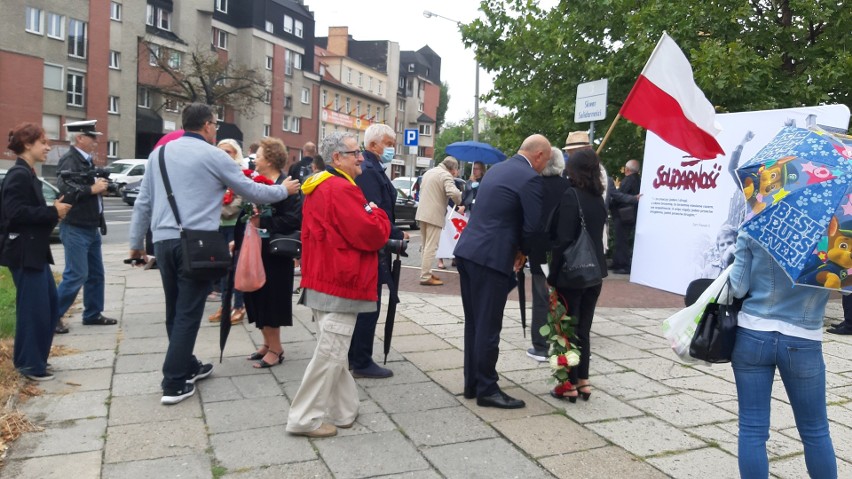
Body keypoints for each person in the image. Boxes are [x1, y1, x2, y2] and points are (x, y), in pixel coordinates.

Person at [128, 103, 298, 405]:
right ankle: (174, 381)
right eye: (215, 125)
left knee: (174, 308)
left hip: (163, 242)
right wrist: (285, 191)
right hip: (196, 243)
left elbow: (143, 202)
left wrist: (136, 244)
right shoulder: (213, 155)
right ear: (207, 125)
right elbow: (253, 191)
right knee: (189, 311)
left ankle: (187, 364)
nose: (215, 129)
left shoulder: (159, 154)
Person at [286, 131, 390, 437]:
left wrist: (371, 210)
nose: (361, 158)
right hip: (342, 281)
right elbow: (373, 233)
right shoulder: (341, 189)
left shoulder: (318, 185)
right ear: (336, 158)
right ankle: (303, 419)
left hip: (323, 279)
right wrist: (377, 211)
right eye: (355, 153)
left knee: (335, 351)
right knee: (330, 354)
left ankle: (344, 412)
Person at [728, 230, 837, 478]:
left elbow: (737, 287)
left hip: (753, 332)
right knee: (815, 430)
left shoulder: (757, 223)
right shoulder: (831, 232)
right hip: (804, 337)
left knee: (752, 428)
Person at [454, 134, 548, 409]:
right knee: (488, 325)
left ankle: (472, 382)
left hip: (469, 251)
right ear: (539, 155)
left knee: (474, 322)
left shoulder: (499, 170)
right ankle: (487, 388)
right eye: (546, 160)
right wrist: (525, 251)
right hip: (491, 258)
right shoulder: (530, 178)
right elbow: (533, 227)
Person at [1, 123, 72, 381]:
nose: (48, 147)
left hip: (34, 252)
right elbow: (15, 214)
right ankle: (30, 365)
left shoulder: (27, 173)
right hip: (24, 253)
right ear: (28, 144)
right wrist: (53, 211)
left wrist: (53, 212)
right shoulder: (18, 175)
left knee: (48, 306)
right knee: (35, 310)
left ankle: (32, 360)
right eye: (43, 142)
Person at [547, 148, 609, 402]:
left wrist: (553, 274)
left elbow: (563, 240)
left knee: (565, 329)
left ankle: (567, 383)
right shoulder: (597, 198)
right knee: (583, 328)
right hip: (594, 273)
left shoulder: (571, 196)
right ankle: (583, 380)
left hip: (571, 273)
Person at [238, 137, 302, 368]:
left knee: (272, 299)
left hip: (276, 253)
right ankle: (266, 343)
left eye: (260, 155)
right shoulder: (256, 183)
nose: (255, 159)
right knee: (255, 295)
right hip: (256, 248)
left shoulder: (289, 185)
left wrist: (262, 219)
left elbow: (294, 219)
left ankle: (277, 348)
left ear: (271, 159)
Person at [350, 123, 407, 378]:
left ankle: (358, 356)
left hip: (377, 244)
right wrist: (394, 232)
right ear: (373, 145)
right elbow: (374, 209)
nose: (392, 149)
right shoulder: (370, 171)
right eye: (389, 144)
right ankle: (361, 359)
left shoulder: (375, 167)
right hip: (373, 247)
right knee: (369, 303)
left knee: (369, 302)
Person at [54, 120, 115, 334]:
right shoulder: (69, 161)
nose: (96, 141)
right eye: (92, 137)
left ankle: (92, 313)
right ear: (79, 138)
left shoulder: (85, 161)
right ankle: (52, 316)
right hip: (76, 227)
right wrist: (93, 189)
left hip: (90, 226)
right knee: (76, 274)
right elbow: (65, 192)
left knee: (96, 274)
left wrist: (102, 188)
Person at [527, 147, 570, 362]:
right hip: (562, 250)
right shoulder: (569, 187)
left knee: (541, 298)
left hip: (540, 250)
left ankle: (540, 345)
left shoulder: (535, 185)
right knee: (563, 296)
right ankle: (563, 341)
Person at [208, 139, 246, 324]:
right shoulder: (213, 172)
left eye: (228, 152)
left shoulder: (239, 172)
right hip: (219, 227)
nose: (224, 155)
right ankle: (225, 305)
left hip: (234, 227)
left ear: (236, 153)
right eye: (220, 151)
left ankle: (239, 306)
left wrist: (218, 208)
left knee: (235, 268)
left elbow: (240, 200)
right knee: (222, 268)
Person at [416, 157, 463, 286]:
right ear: (453, 169)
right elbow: (452, 193)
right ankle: (425, 276)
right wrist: (460, 196)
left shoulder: (429, 172)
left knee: (425, 245)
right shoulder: (445, 175)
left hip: (422, 213)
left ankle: (425, 271)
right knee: (432, 246)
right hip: (434, 215)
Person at [610, 159, 641, 274]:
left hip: (623, 213)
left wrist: (610, 203)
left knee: (621, 240)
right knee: (622, 239)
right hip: (631, 213)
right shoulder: (638, 180)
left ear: (627, 169)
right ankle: (618, 262)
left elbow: (619, 196)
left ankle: (623, 265)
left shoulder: (628, 180)